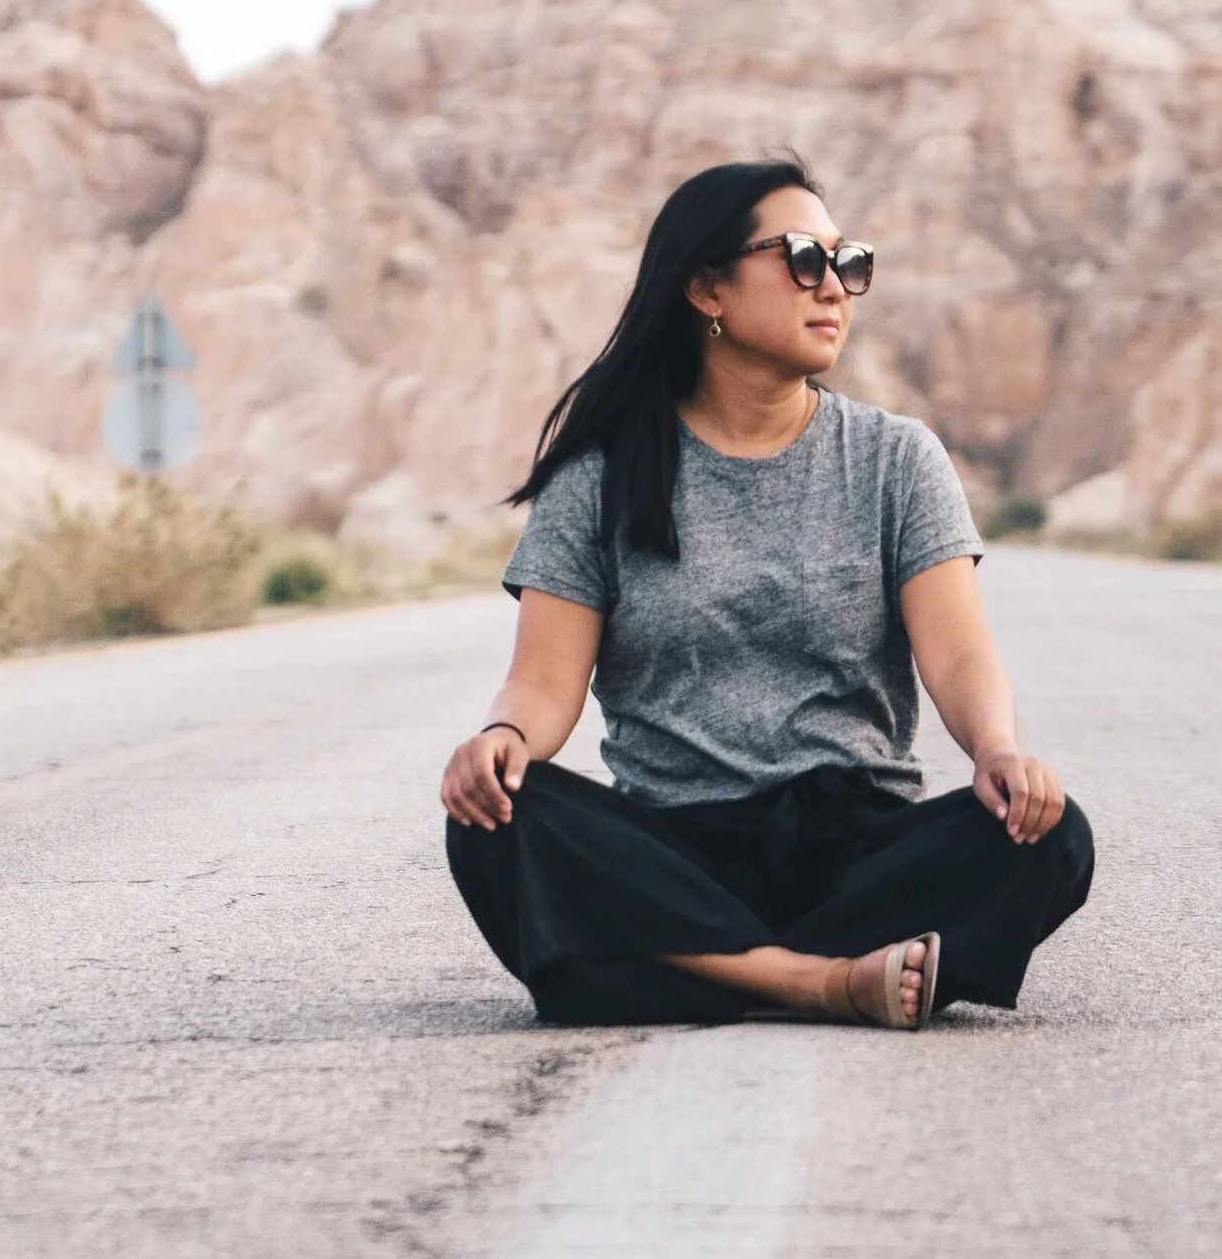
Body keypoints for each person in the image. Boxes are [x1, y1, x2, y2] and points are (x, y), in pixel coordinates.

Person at [441, 158, 1094, 1030]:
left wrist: (998, 751)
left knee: (1052, 835)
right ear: (706, 288)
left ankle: (683, 966)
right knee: (494, 812)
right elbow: (542, 685)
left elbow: (959, 653)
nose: (834, 288)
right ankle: (822, 981)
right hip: (674, 850)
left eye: (849, 263)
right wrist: (502, 740)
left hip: (854, 844)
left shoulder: (896, 459)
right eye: (803, 259)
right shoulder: (599, 479)